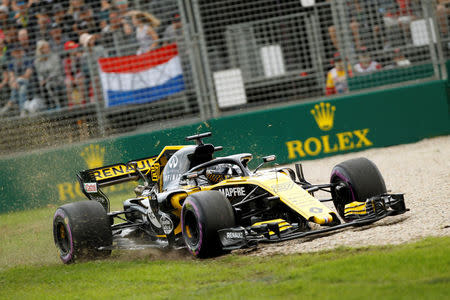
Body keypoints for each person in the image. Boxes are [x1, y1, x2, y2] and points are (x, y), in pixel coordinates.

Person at [1, 43, 34, 116]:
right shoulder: (12, 62)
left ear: (22, 51)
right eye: (15, 52)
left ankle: (10, 103)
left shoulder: (27, 59)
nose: (17, 54)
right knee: (22, 88)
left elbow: (27, 74)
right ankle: (22, 111)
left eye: (18, 51)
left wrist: (17, 80)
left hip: (29, 82)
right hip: (18, 85)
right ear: (12, 53)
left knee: (21, 85)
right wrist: (13, 81)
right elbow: (11, 75)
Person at [35, 40, 64, 109]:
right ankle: (48, 106)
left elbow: (56, 71)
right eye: (45, 48)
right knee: (42, 86)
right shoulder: (37, 61)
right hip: (45, 81)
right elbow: (39, 74)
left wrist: (47, 79)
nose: (48, 49)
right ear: (41, 50)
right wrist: (41, 80)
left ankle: (57, 105)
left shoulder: (55, 57)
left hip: (56, 79)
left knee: (49, 85)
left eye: (48, 47)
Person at [63, 40, 86, 107]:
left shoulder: (78, 57)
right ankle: (71, 104)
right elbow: (67, 72)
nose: (75, 50)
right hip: (70, 76)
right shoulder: (66, 60)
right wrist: (72, 79)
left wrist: (76, 78)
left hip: (79, 75)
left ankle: (83, 103)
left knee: (80, 81)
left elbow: (80, 70)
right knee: (68, 83)